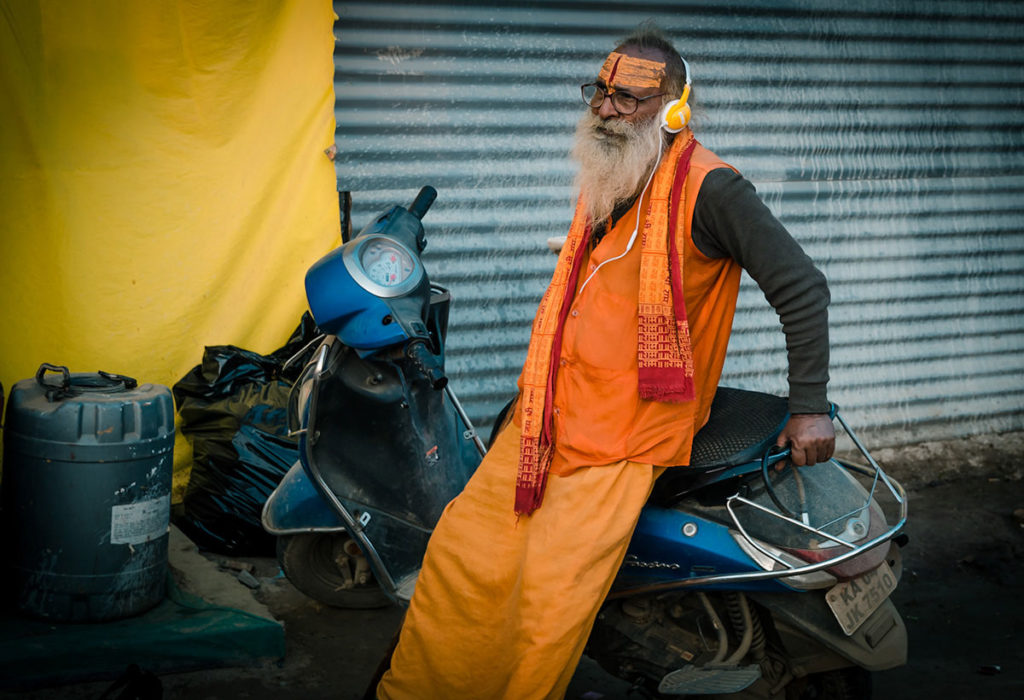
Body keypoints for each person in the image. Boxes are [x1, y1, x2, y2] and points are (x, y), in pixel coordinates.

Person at [377, 25, 834, 700]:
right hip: (546, 419)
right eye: (601, 91)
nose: (606, 109)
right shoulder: (608, 173)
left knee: (547, 599)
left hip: (625, 434)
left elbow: (801, 284)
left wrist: (809, 406)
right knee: (460, 557)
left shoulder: (713, 189)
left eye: (628, 98)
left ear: (673, 108)